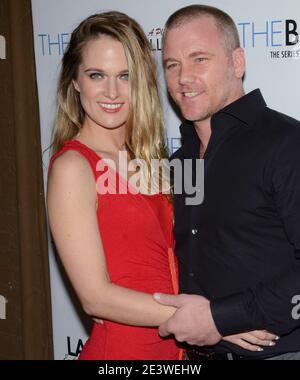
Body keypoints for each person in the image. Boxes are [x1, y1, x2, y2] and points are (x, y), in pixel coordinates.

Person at [47, 11, 276, 360]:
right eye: (96, 75)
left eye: (125, 76)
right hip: (124, 352)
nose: (112, 92)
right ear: (75, 81)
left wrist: (222, 314)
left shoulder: (158, 162)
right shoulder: (73, 166)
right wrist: (216, 321)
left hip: (181, 352)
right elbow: (95, 297)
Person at [154, 4, 300, 360]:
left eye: (199, 59)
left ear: (237, 62)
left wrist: (223, 318)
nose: (183, 77)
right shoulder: (179, 163)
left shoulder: (286, 143)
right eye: (172, 65)